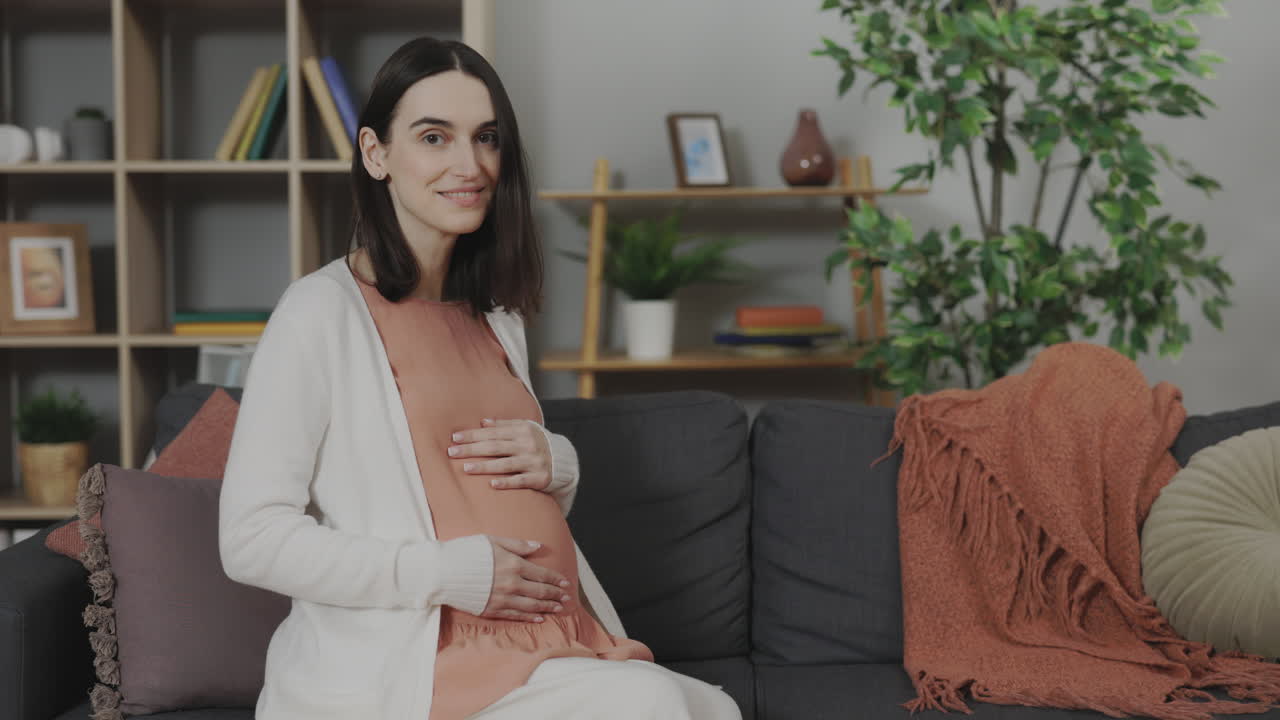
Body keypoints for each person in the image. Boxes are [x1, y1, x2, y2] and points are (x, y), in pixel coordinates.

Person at [218, 37, 742, 720]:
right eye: (434, 137)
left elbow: (479, 483)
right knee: (652, 707)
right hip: (422, 666)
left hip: (551, 646)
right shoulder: (319, 313)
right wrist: (445, 573)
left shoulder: (496, 316)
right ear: (376, 154)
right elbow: (250, 539)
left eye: (486, 138)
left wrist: (558, 462)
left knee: (713, 711)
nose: (469, 165)